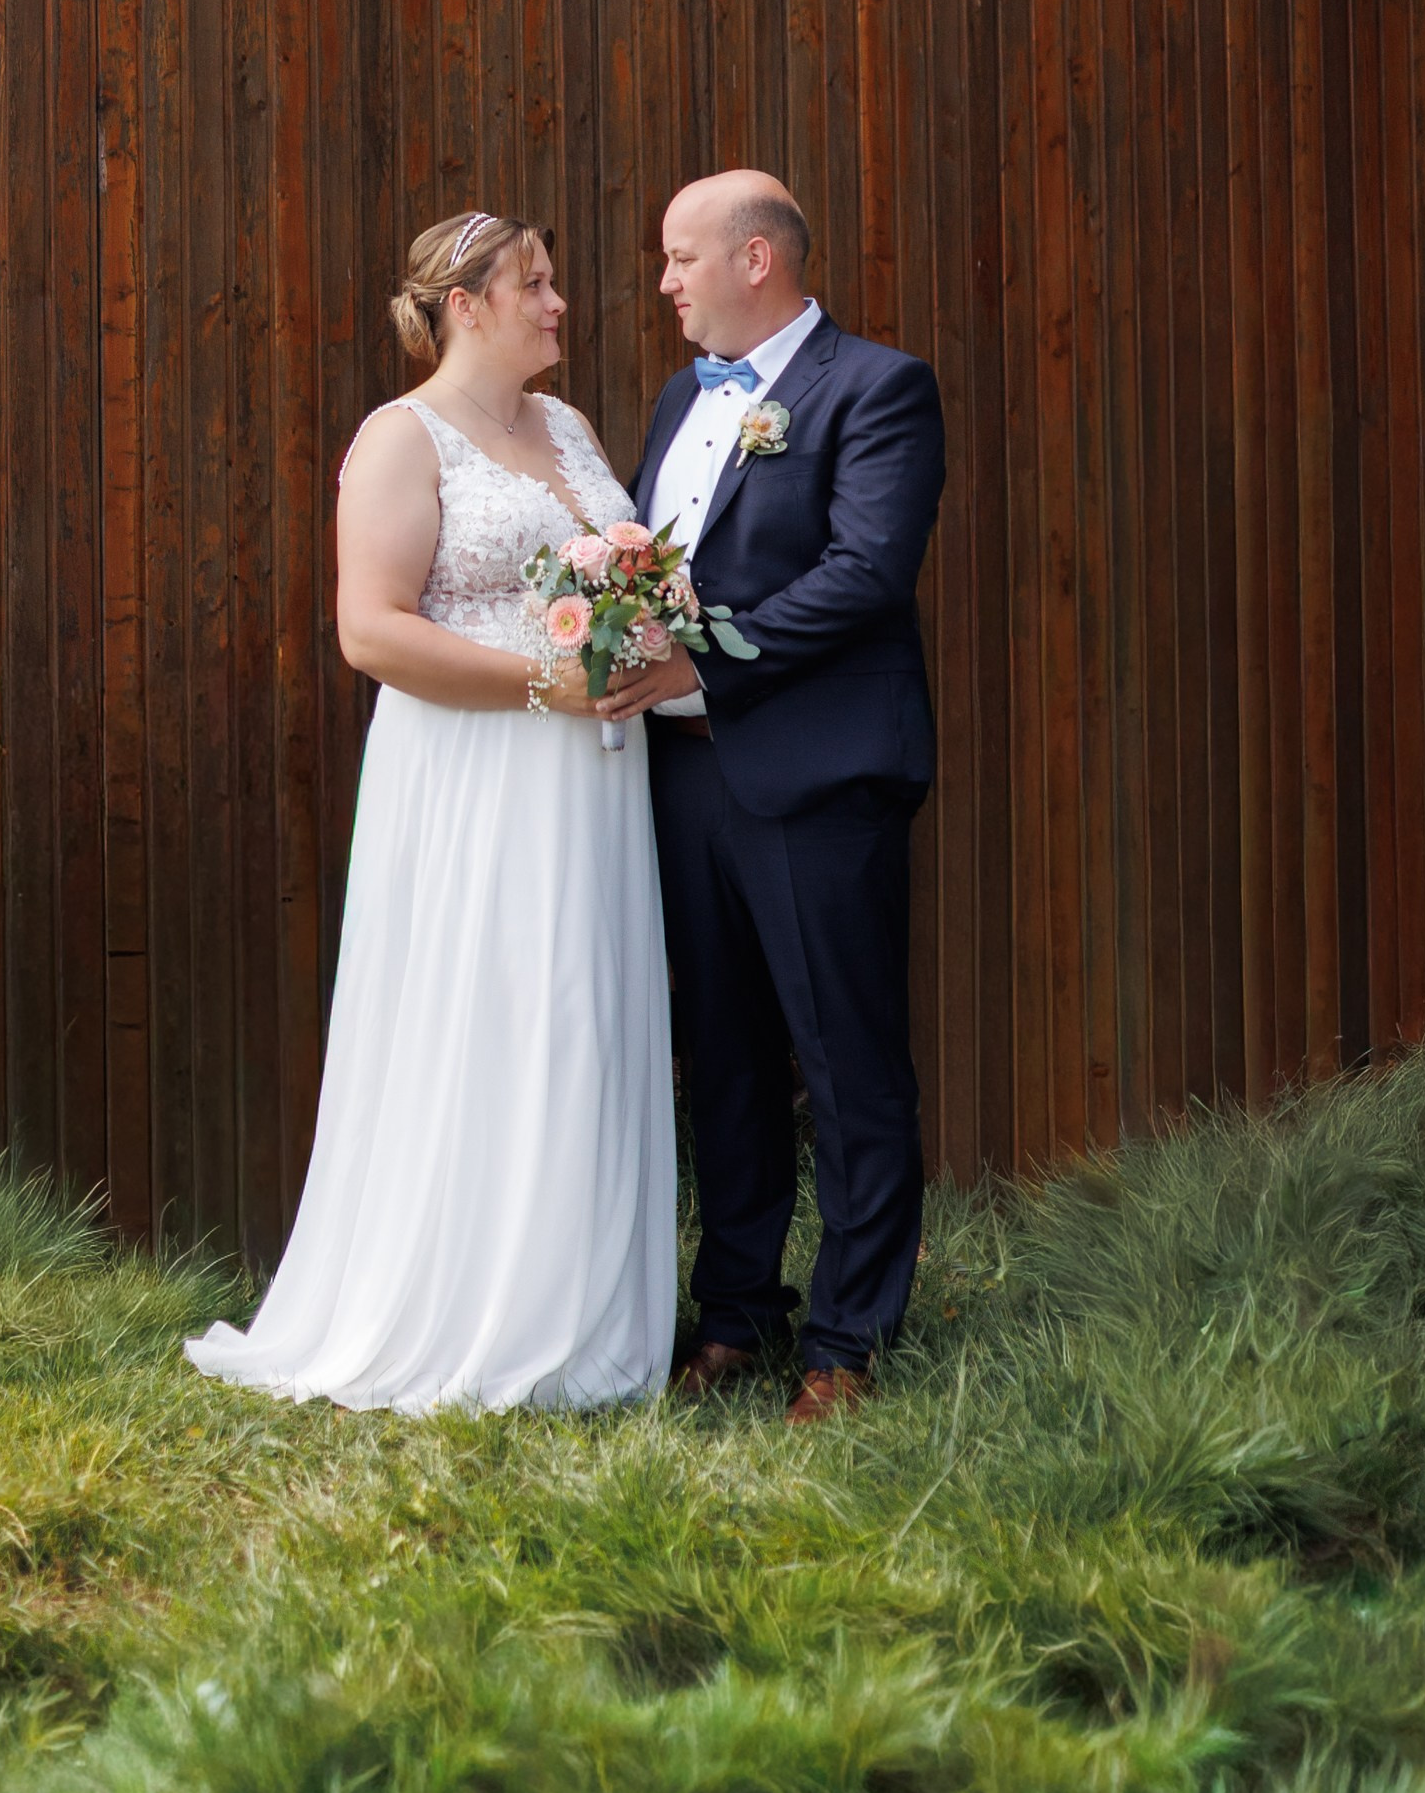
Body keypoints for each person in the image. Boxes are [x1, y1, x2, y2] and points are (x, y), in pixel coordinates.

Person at [185, 212, 676, 1412]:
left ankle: (578, 1315)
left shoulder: (568, 427)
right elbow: (371, 631)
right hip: (471, 773)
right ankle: (459, 1310)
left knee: (577, 1012)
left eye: (553, 282)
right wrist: (540, 681)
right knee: (482, 1012)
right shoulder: (399, 438)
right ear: (465, 304)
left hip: (590, 780)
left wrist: (644, 642)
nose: (558, 303)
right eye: (534, 284)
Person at [599, 170, 945, 1423]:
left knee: (845, 1061)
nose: (663, 281)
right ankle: (736, 1313)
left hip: (816, 775)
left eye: (679, 256)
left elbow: (864, 572)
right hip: (685, 777)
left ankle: (847, 1338)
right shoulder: (675, 400)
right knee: (726, 1058)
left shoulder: (877, 388)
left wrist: (702, 659)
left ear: (756, 258)